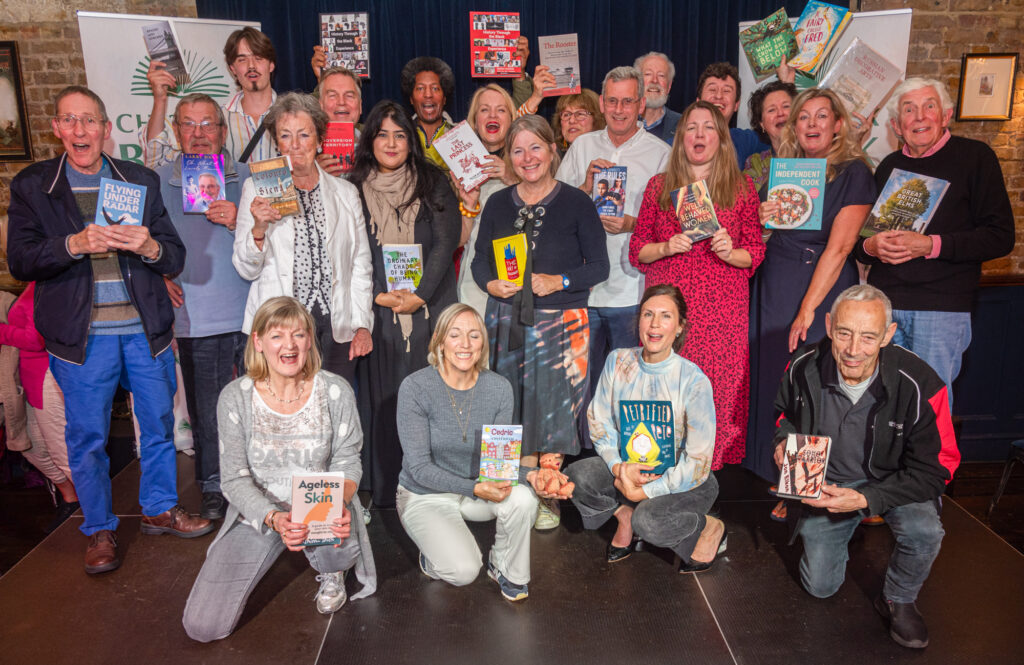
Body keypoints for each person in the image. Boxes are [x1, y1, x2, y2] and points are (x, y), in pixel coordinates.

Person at [7, 85, 211, 575]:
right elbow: (21, 260)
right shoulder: (34, 185)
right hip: (82, 339)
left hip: (145, 330)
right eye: (69, 121)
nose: (81, 131)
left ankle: (160, 508)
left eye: (90, 121)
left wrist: (149, 247)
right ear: (57, 128)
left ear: (105, 128)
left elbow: (175, 254)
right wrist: (73, 243)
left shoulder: (137, 180)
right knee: (88, 438)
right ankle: (98, 527)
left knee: (159, 427)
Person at [772, 285, 959, 649]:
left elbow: (938, 469)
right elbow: (784, 417)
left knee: (925, 533)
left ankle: (899, 598)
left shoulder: (921, 383)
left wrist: (862, 499)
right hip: (828, 484)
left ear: (888, 334)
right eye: (844, 333)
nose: (854, 349)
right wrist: (782, 443)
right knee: (820, 588)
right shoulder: (802, 365)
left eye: (869, 336)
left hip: (895, 481)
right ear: (828, 325)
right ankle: (845, 530)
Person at [182, 297, 376, 641]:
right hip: (259, 513)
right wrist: (273, 517)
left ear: (309, 342)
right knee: (202, 627)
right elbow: (234, 478)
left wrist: (341, 503)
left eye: (299, 335)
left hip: (321, 510)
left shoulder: (334, 390)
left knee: (340, 543)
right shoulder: (235, 397)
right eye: (277, 336)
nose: (289, 345)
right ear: (258, 342)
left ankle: (334, 571)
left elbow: (348, 460)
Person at [472, 114, 609, 529]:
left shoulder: (576, 202)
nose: (527, 157)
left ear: (552, 151)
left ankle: (547, 494)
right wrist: (490, 284)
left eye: (535, 147)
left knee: (552, 412)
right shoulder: (497, 202)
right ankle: (509, 489)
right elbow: (480, 260)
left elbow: (598, 267)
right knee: (507, 405)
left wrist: (559, 280)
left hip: (561, 324)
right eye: (518, 150)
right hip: (507, 318)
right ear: (509, 158)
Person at [853, 77, 1015, 403]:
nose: (920, 117)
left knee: (929, 409)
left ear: (946, 116)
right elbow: (861, 242)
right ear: (897, 126)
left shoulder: (975, 158)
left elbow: (1001, 237)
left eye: (929, 107)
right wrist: (871, 246)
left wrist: (931, 245)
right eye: (909, 110)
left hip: (941, 310)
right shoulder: (889, 166)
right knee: (881, 404)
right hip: (884, 305)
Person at [746, 88, 877, 484]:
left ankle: (805, 483)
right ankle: (774, 474)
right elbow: (763, 233)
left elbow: (838, 249)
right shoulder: (784, 170)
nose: (812, 124)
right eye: (804, 117)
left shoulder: (854, 172)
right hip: (775, 285)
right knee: (773, 378)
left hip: (822, 288)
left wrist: (807, 310)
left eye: (822, 116)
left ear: (838, 124)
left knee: (812, 384)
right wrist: (761, 215)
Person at [630, 101, 765, 469]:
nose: (700, 134)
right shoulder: (659, 187)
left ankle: (702, 473)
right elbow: (637, 250)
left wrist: (730, 251)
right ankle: (658, 467)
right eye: (691, 127)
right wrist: (666, 246)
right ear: (681, 138)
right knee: (665, 389)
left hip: (721, 311)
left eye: (709, 127)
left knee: (713, 390)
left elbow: (755, 251)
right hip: (669, 310)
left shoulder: (741, 188)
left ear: (721, 139)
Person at [396, 303, 559, 601]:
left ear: (483, 342)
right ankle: (432, 556)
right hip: (424, 493)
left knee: (524, 498)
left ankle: (506, 568)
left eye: (474, 335)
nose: (465, 344)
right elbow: (419, 467)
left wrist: (533, 475)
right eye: (455, 335)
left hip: (476, 488)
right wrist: (474, 487)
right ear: (440, 341)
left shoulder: (498, 388)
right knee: (463, 572)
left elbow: (498, 465)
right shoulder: (416, 387)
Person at [566, 284, 725, 572]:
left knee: (649, 521)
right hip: (629, 470)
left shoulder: (693, 380)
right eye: (648, 314)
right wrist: (619, 469)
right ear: (638, 320)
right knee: (575, 477)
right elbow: (599, 422)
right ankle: (625, 518)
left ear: (679, 327)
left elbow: (699, 460)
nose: (655, 324)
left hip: (683, 478)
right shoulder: (618, 361)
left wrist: (649, 492)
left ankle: (707, 527)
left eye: (666, 316)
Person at [349, 100, 461, 508]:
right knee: (386, 399)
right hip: (380, 311)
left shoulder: (433, 180)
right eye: (382, 134)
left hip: (429, 309)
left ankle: (433, 490)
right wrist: (379, 292)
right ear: (370, 140)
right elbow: (351, 248)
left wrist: (419, 295)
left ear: (410, 141)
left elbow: (446, 242)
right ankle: (386, 491)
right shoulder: (352, 186)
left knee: (431, 400)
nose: (392, 143)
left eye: (400, 135)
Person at [556, 66, 670, 447]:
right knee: (578, 381)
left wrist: (631, 225)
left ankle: (625, 457)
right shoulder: (582, 147)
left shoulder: (661, 155)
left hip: (631, 290)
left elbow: (670, 225)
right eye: (613, 101)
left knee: (628, 381)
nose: (620, 109)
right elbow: (552, 209)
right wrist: (584, 187)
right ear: (601, 103)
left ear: (640, 104)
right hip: (581, 291)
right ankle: (581, 459)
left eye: (628, 101)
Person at [233, 92, 373, 390]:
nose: (295, 145)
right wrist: (259, 228)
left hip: (335, 327)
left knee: (335, 408)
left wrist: (362, 324)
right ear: (276, 142)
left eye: (304, 134)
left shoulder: (345, 193)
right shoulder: (256, 188)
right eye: (285, 136)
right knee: (284, 411)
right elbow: (246, 270)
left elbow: (360, 264)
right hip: (280, 328)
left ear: (320, 139)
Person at [156, 92, 252, 520]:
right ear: (176, 131)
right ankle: (213, 486)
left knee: (261, 409)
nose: (198, 135)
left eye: (207, 125)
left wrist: (240, 219)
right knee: (209, 413)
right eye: (188, 125)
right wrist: (156, 274)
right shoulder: (154, 181)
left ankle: (261, 481)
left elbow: (288, 240)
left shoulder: (254, 177)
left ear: (222, 130)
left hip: (257, 315)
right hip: (196, 318)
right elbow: (135, 238)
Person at [0, 282, 79, 532]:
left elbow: (36, 339)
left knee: (64, 453)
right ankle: (72, 498)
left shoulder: (47, 287)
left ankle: (97, 516)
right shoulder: (33, 285)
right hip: (26, 377)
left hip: (46, 375)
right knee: (30, 447)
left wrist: (2, 332)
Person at [142, 27, 279, 168]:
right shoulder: (214, 121)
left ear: (271, 65)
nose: (251, 66)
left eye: (258, 58)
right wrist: (160, 99)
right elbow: (158, 163)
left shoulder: (292, 116)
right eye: (242, 59)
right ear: (232, 69)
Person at [453, 84, 521, 317]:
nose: (492, 115)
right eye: (484, 110)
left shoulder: (529, 163)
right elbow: (458, 240)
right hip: (474, 281)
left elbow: (548, 214)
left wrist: (510, 177)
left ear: (512, 120)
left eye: (501, 110)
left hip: (518, 278)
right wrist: (468, 205)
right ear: (474, 121)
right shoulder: (457, 169)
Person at [695, 62, 768, 167]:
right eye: (712, 89)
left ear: (736, 105)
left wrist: (787, 82)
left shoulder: (746, 141)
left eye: (726, 91)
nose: (719, 96)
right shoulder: (677, 144)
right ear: (698, 101)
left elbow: (782, 142)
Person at [400, 57, 457, 171]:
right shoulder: (400, 134)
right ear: (411, 99)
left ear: (444, 98)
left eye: (435, 88)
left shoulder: (461, 134)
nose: (428, 94)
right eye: (420, 88)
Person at [742, 80, 797, 191]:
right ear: (762, 124)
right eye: (772, 110)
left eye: (786, 106)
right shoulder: (756, 164)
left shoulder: (814, 154)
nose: (780, 113)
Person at [312, 65, 364, 177]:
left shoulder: (376, 144)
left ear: (360, 106)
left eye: (349, 96)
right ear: (321, 105)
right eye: (332, 96)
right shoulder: (304, 148)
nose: (341, 102)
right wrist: (314, 176)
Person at [635, 52, 681, 145]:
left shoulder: (683, 125)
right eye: (648, 74)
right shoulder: (623, 121)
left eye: (661, 75)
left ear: (669, 86)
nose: (655, 80)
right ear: (637, 83)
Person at [550, 89, 605, 154]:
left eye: (580, 114)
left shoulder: (610, 156)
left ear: (596, 120)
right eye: (566, 114)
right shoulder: (552, 158)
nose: (572, 120)